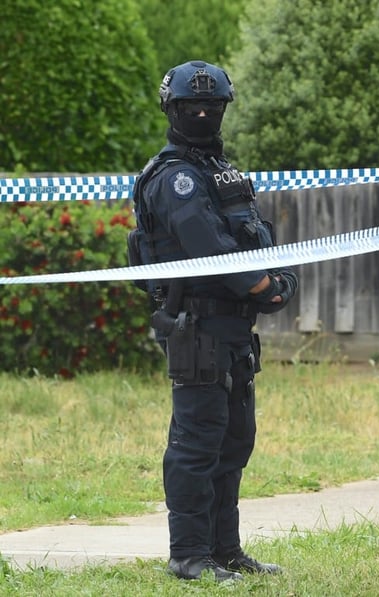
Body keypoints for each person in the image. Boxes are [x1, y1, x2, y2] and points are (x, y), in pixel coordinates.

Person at [127, 59, 297, 582]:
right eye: (190, 106)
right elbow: (210, 248)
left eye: (212, 106)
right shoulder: (175, 179)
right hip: (195, 327)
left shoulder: (221, 172)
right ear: (171, 110)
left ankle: (226, 551)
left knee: (234, 441)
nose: (202, 113)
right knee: (197, 444)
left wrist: (276, 281)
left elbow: (255, 238)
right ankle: (190, 558)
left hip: (232, 330)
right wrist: (261, 287)